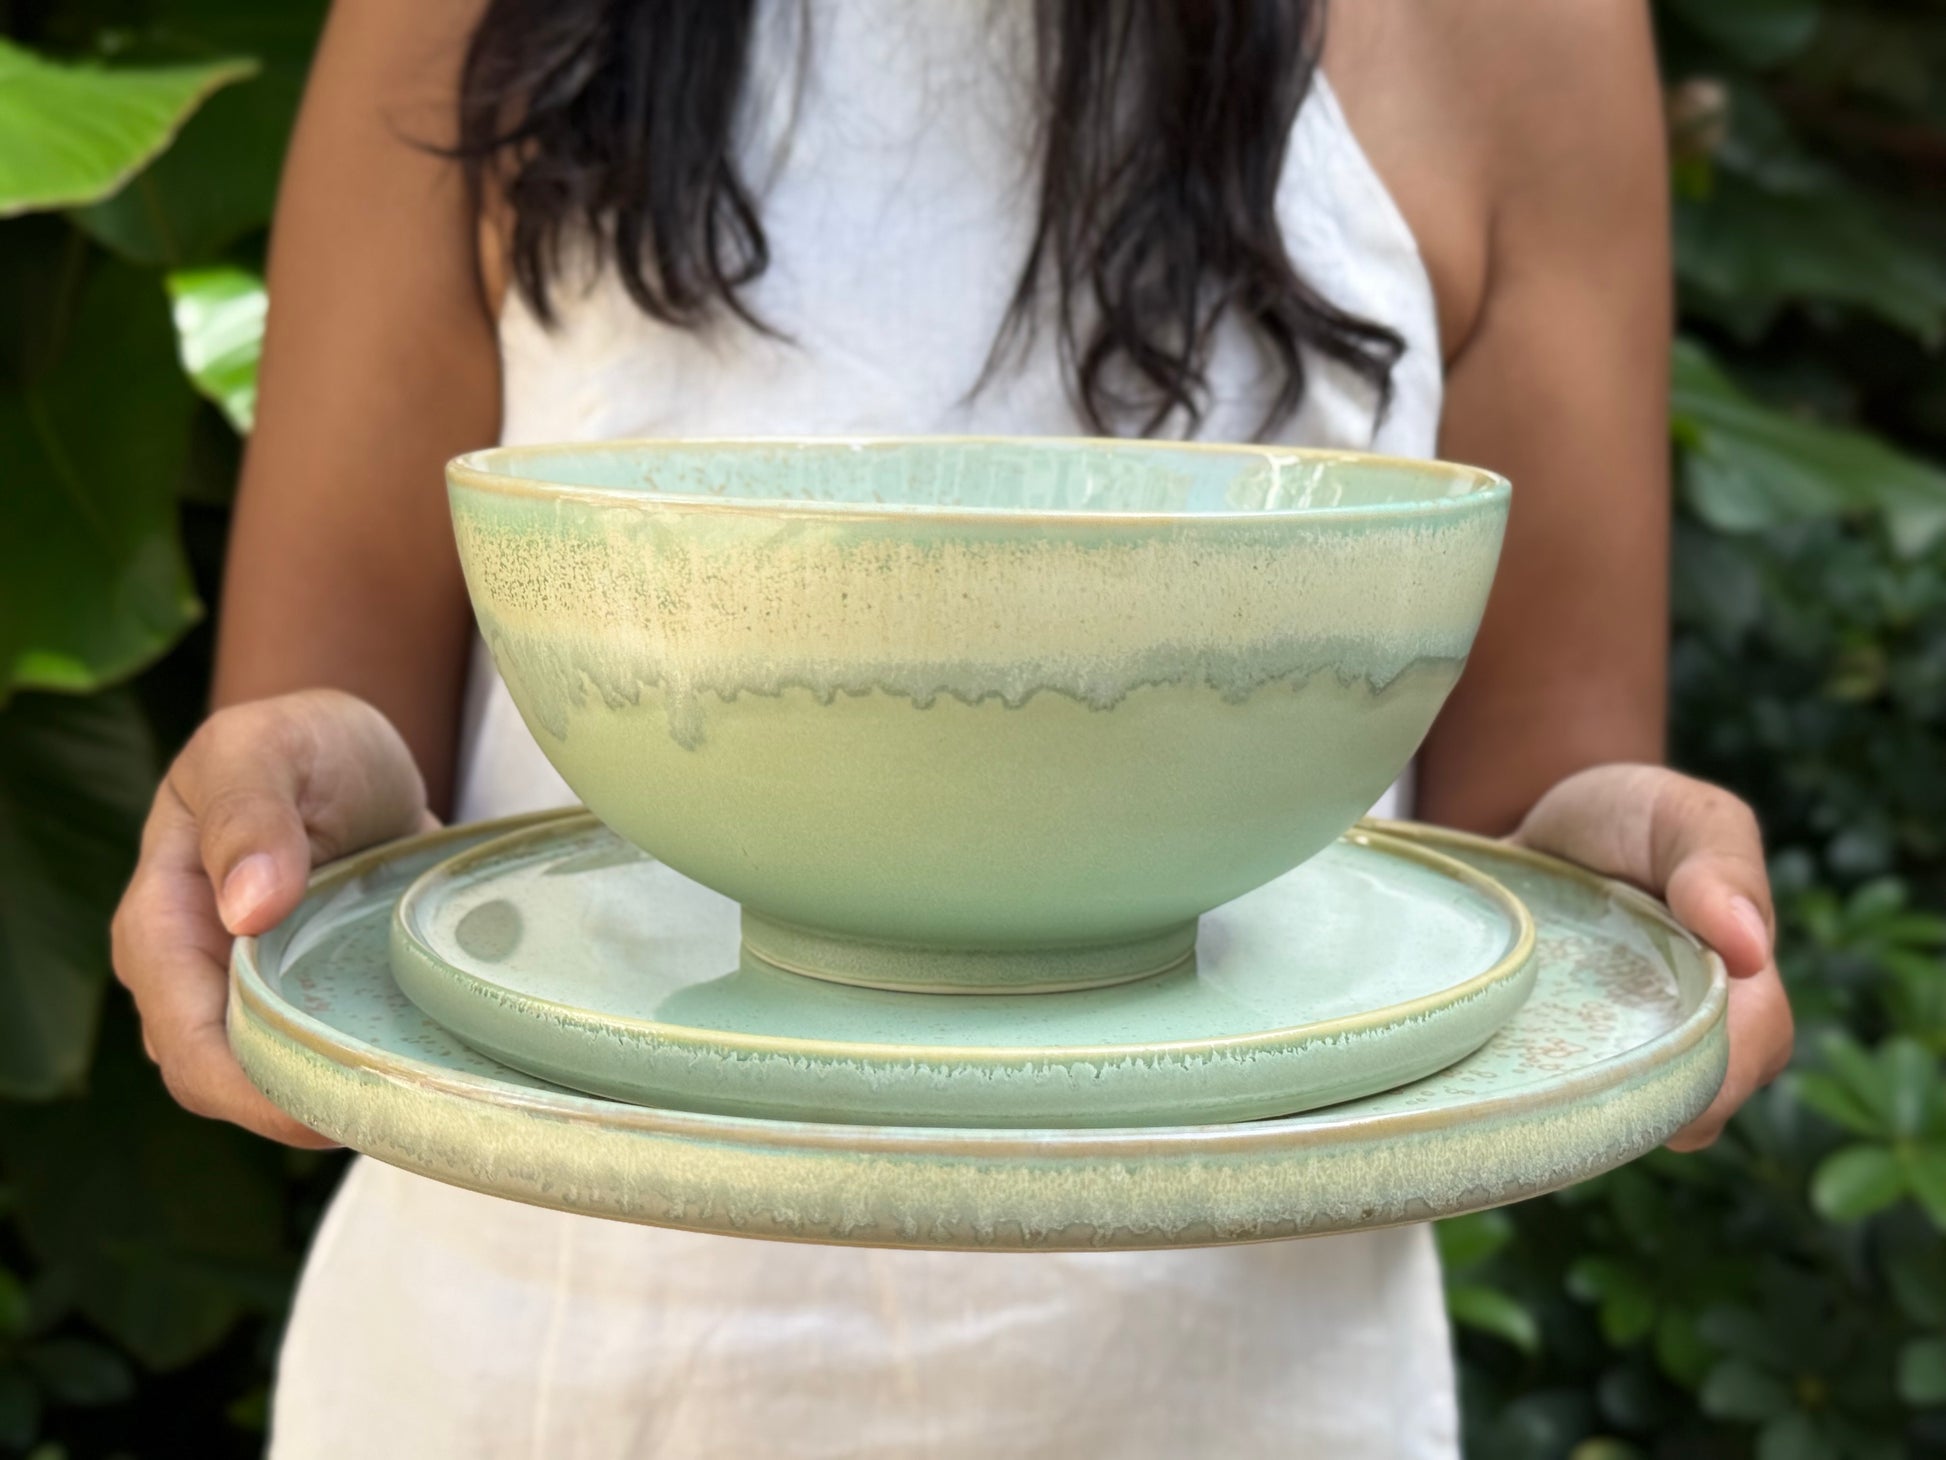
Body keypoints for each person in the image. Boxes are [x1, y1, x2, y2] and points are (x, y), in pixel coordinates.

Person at [110, 0, 1794, 1454]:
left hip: (1233, 1391)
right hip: (535, 1369)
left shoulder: (1521, 31)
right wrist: (298, 819)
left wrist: (1605, 902)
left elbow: (1522, 825)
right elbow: (329, 740)